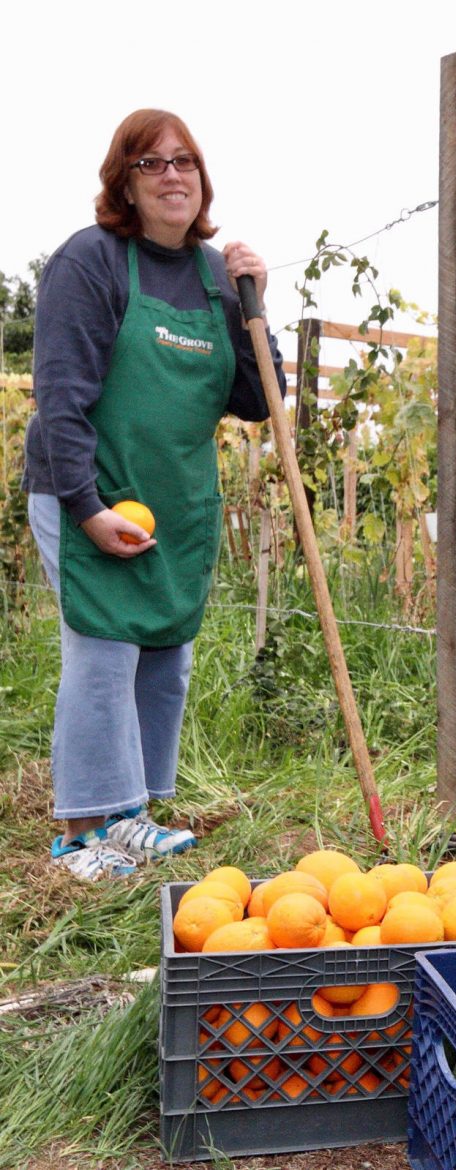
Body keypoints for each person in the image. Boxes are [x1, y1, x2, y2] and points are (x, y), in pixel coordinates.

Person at [23, 109, 286, 880]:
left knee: (164, 654)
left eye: (185, 161)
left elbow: (254, 398)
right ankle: (79, 832)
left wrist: (255, 306)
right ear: (125, 185)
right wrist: (86, 506)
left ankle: (131, 814)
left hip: (173, 499)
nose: (173, 175)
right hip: (91, 489)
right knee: (103, 651)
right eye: (151, 164)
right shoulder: (92, 261)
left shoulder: (214, 274)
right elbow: (61, 398)